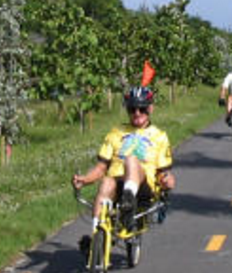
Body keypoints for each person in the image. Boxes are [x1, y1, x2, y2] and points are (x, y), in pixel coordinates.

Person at [72, 85, 175, 234]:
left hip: (142, 186)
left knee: (131, 160)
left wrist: (167, 181)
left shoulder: (159, 136)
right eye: (132, 109)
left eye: (142, 108)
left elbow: (163, 172)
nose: (137, 113)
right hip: (117, 182)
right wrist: (85, 179)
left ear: (150, 108)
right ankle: (96, 238)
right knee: (106, 182)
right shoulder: (116, 132)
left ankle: (129, 200)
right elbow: (101, 168)